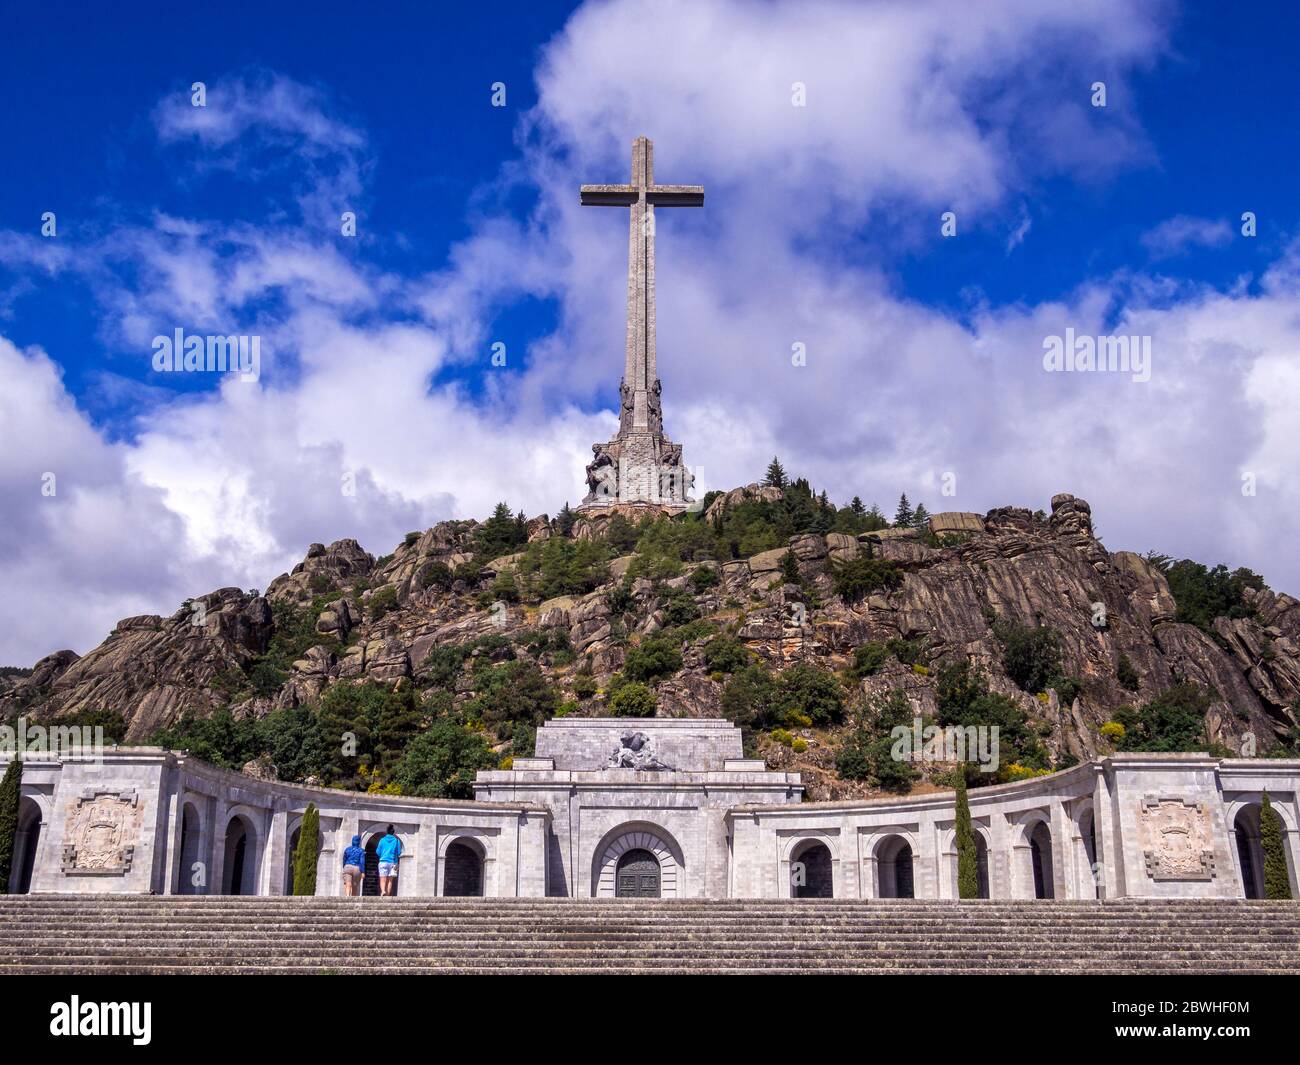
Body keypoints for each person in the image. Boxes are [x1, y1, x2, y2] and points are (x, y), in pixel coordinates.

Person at [376, 825, 403, 896]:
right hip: (393, 862)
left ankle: (383, 891)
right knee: (390, 880)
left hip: (383, 861)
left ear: (387, 832)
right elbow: (399, 852)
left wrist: (383, 854)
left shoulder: (382, 840)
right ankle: (387, 894)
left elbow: (378, 852)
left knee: (383, 878)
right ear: (393, 833)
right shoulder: (397, 841)